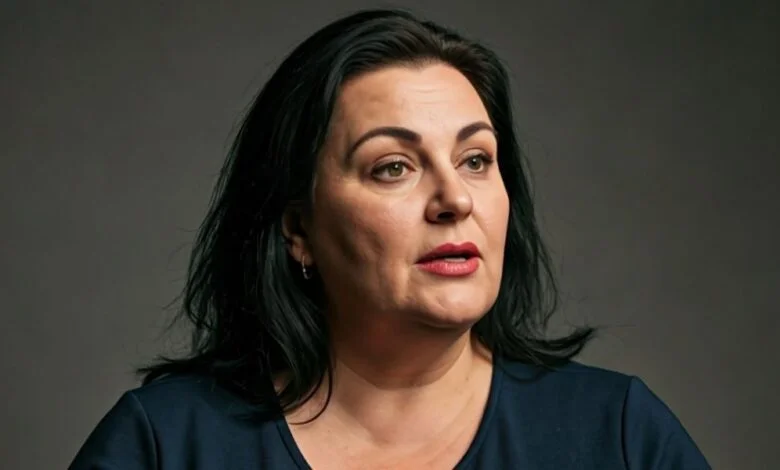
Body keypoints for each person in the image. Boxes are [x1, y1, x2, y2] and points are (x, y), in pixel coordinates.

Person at [69, 8, 709, 470]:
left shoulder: (619, 435)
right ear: (298, 230)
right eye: (393, 167)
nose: (456, 199)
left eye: (476, 160)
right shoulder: (165, 443)